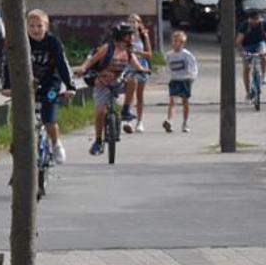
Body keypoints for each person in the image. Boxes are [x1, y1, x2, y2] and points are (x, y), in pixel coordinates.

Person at [0, 9, 76, 165]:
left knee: (48, 117)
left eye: (39, 26)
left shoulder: (53, 42)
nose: (35, 30)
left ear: (46, 26)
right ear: (26, 27)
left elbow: (62, 64)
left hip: (50, 82)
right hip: (27, 82)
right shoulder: (21, 42)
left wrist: (70, 86)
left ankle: (56, 143)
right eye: (32, 26)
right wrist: (7, 86)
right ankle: (18, 144)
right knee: (20, 115)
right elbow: (7, 63)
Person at [79, 23, 149, 158]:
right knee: (100, 111)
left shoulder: (129, 52)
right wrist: (83, 68)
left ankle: (126, 109)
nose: (132, 37)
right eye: (130, 35)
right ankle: (98, 141)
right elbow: (91, 60)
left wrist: (143, 70)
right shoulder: (107, 48)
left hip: (118, 82)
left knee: (132, 80)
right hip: (103, 83)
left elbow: (137, 66)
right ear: (123, 36)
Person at [121, 13, 153, 133]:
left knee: (140, 94)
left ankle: (139, 121)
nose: (132, 24)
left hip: (141, 65)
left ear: (139, 24)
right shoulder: (124, 36)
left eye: (134, 21)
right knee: (129, 92)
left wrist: (137, 52)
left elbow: (149, 54)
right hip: (128, 66)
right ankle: (128, 120)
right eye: (130, 21)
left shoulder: (143, 36)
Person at [162, 30, 197, 133]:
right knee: (172, 101)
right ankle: (169, 121)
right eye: (173, 41)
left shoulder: (187, 55)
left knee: (185, 101)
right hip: (174, 80)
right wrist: (168, 76)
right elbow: (166, 66)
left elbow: (193, 67)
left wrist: (192, 77)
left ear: (182, 43)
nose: (175, 43)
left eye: (178, 41)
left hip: (185, 80)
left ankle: (185, 122)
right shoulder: (169, 55)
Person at [235, 10, 266, 95]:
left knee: (263, 55)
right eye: (254, 19)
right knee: (247, 68)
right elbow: (238, 41)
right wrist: (242, 51)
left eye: (257, 19)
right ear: (250, 19)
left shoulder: (264, 24)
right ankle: (248, 93)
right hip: (247, 46)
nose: (256, 21)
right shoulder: (244, 25)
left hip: (259, 43)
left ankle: (264, 75)